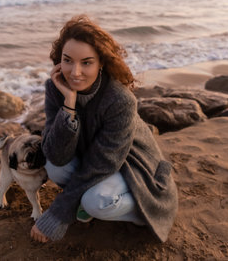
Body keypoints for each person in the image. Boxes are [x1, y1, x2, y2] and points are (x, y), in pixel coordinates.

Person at [31, 15, 178, 243]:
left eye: (86, 62)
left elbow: (104, 163)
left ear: (101, 63)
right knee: (55, 168)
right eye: (68, 60)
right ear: (59, 60)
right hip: (92, 156)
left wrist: (60, 211)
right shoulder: (56, 87)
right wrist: (69, 104)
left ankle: (144, 211)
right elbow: (55, 153)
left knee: (96, 202)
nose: (75, 72)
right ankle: (86, 197)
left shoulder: (120, 100)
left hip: (130, 163)